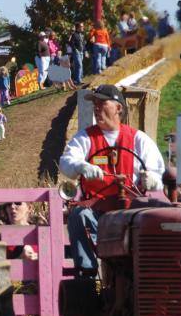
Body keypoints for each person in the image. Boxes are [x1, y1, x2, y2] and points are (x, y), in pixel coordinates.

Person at [60, 84, 165, 276]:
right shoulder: (85, 138)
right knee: (78, 216)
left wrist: (151, 180)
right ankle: (88, 274)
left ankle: (152, 272)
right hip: (97, 212)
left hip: (132, 214)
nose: (97, 108)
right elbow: (66, 162)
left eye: (102, 103)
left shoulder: (139, 139)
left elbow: (159, 175)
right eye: (95, 104)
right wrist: (82, 166)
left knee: (157, 220)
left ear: (119, 108)